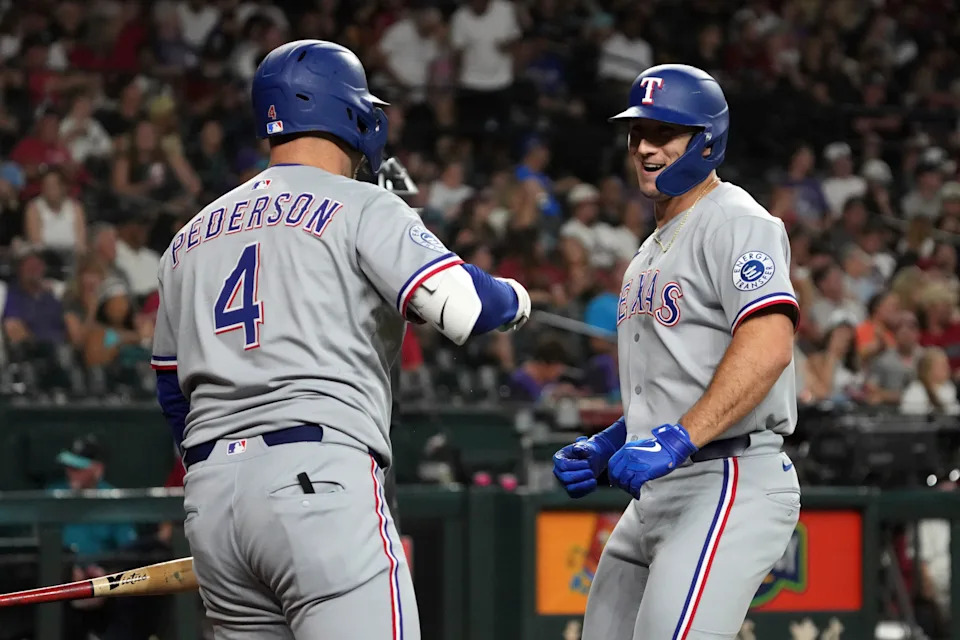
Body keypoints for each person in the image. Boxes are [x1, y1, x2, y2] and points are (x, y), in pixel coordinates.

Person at [151, 40, 530, 640]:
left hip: (212, 497)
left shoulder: (188, 237)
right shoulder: (363, 204)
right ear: (353, 114)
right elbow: (463, 308)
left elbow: (174, 396)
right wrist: (516, 299)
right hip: (316, 481)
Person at [552, 65, 801, 639]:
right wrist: (614, 439)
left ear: (706, 140)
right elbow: (677, 377)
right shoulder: (650, 248)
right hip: (662, 488)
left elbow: (768, 347)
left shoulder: (736, 220)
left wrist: (681, 436)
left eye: (665, 132)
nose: (645, 147)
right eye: (638, 132)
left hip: (728, 475)